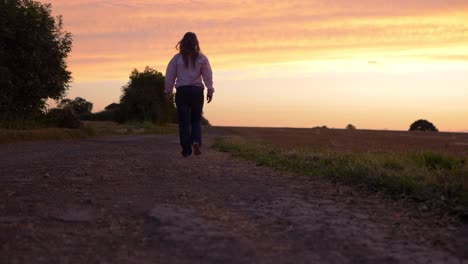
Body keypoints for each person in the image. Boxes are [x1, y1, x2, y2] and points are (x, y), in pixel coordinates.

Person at [165, 32, 214, 157]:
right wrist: (210, 89)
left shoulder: (176, 58)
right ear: (196, 43)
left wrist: (168, 92)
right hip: (197, 92)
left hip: (182, 92)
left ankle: (186, 150)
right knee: (196, 119)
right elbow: (207, 74)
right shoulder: (202, 58)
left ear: (183, 43)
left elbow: (170, 75)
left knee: (184, 122)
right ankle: (196, 141)